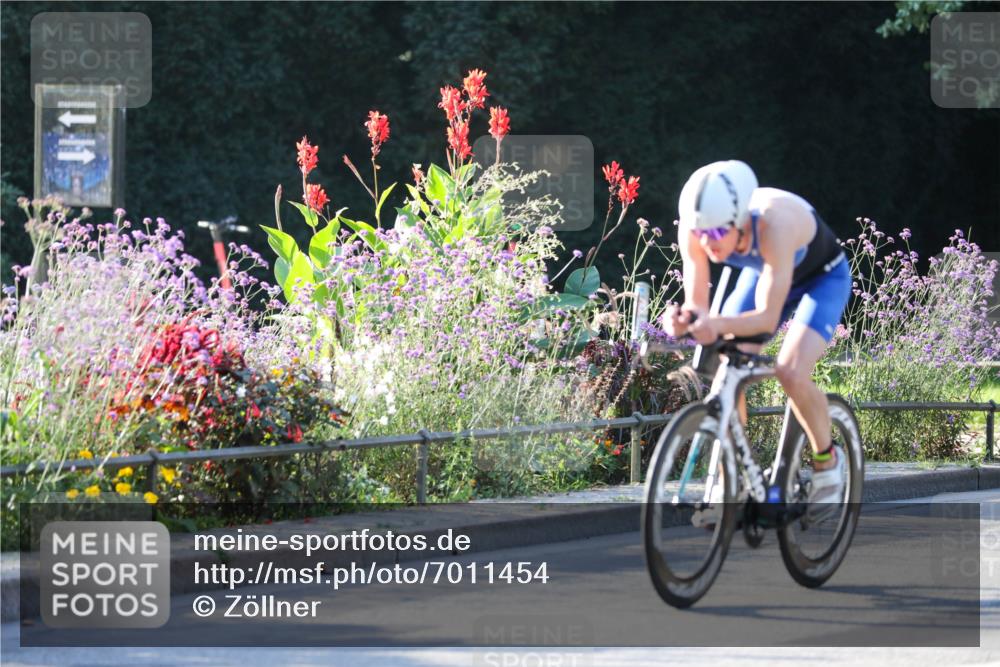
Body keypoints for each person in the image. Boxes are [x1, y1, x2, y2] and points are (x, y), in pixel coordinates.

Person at [662, 160, 852, 514]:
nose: (708, 244)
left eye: (718, 235)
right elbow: (698, 307)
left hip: (821, 280)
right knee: (726, 368)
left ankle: (828, 460)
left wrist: (715, 325)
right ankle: (729, 478)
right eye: (701, 234)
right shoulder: (697, 227)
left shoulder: (773, 223)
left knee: (790, 371)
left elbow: (765, 317)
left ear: (740, 221)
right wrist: (683, 321)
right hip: (765, 272)